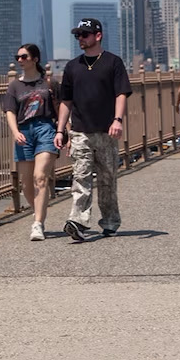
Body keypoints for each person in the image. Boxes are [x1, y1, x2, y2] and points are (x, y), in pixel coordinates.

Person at [55, 18, 132, 241]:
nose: (80, 38)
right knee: (81, 177)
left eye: (85, 34)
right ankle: (78, 221)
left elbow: (121, 93)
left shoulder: (113, 63)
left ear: (98, 36)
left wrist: (117, 120)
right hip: (80, 132)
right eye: (78, 35)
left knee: (108, 180)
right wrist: (61, 130)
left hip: (106, 132)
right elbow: (65, 102)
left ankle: (109, 221)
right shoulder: (72, 67)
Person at [5, 43, 59, 240]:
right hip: (24, 131)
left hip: (46, 128)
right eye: (17, 57)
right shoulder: (14, 86)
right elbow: (10, 111)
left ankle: (38, 223)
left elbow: (62, 108)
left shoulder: (49, 83)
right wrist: (15, 132)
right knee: (26, 184)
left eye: (24, 56)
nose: (20, 60)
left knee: (40, 177)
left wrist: (64, 132)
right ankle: (39, 211)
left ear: (35, 59)